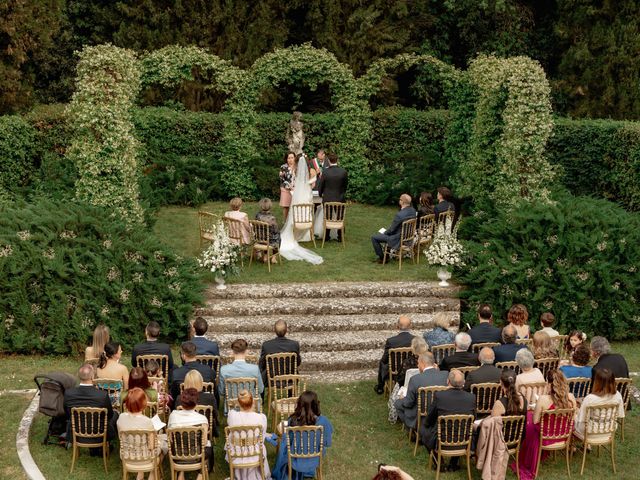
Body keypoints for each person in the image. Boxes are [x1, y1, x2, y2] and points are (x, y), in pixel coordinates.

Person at [512, 369, 577, 480]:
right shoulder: (570, 397)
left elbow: (536, 421)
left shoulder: (543, 399)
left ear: (550, 384)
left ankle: (526, 454)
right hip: (564, 436)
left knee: (529, 422)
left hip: (545, 437)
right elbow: (573, 416)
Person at [420, 370, 475, 471]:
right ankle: (453, 465)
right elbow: (473, 418)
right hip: (464, 440)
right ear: (463, 383)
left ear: (448, 381)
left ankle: (440, 464)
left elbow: (429, 418)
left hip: (442, 439)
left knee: (423, 430)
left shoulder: (440, 396)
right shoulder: (471, 397)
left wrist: (427, 425)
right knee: (460, 428)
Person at [272, 391, 333, 480]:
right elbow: (327, 443)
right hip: (315, 458)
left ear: (299, 404)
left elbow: (289, 441)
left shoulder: (292, 420)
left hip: (295, 458)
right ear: (316, 404)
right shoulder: (324, 421)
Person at [278, 152, 324, 265]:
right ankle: (307, 234)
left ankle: (295, 233)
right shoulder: (312, 171)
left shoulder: (295, 171)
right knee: (307, 211)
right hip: (307, 195)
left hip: (298, 195)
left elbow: (294, 182)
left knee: (296, 211)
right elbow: (313, 185)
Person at [64, 363, 118, 447]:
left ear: (79, 376)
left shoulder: (69, 393)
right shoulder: (102, 395)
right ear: (92, 377)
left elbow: (67, 414)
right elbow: (109, 415)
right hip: (99, 434)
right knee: (115, 414)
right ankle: (108, 442)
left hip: (76, 433)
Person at [117, 387, 167, 480]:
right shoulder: (147, 421)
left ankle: (140, 475)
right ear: (143, 403)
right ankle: (152, 475)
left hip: (127, 455)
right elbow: (152, 447)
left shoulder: (121, 417)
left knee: (140, 444)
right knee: (163, 444)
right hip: (145, 457)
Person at [394, 352, 448, 430]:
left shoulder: (415, 379)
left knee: (398, 403)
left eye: (418, 363)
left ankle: (413, 428)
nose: (418, 365)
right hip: (441, 410)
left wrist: (402, 398)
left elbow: (408, 403)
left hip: (422, 413)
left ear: (422, 363)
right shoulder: (445, 374)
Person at [225, 390, 271, 480]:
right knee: (260, 442)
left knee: (231, 436)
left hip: (236, 453)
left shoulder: (231, 415)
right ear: (253, 401)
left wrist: (237, 403)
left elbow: (232, 411)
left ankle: (238, 474)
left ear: (238, 403)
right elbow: (263, 437)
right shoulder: (261, 418)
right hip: (255, 453)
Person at [167, 388, 212, 477]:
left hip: (177, 455)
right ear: (196, 403)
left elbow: (171, 439)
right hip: (197, 457)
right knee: (209, 448)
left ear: (182, 402)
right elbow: (205, 442)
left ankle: (181, 472)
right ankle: (200, 474)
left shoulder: (173, 416)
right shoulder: (202, 419)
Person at [574, 368, 625, 439]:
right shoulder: (618, 395)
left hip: (590, 431)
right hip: (609, 430)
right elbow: (620, 414)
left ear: (596, 381)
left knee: (573, 414)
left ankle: (572, 445)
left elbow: (582, 419)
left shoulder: (590, 398)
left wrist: (577, 409)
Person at [388, 337, 429, 423]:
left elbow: (400, 380)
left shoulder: (407, 362)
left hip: (409, 389)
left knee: (397, 389)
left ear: (413, 349)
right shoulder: (431, 361)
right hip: (427, 387)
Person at [371, 194, 417, 264]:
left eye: (400, 199)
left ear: (402, 202)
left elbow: (391, 230)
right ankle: (386, 255)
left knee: (374, 237)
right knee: (387, 234)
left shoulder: (400, 215)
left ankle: (382, 258)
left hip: (398, 239)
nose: (399, 200)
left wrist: (384, 233)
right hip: (409, 237)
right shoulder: (413, 211)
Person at [374, 315, 414, 395]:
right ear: (410, 326)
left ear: (397, 326)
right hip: (410, 369)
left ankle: (380, 386)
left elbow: (384, 359)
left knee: (382, 363)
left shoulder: (391, 341)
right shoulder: (415, 340)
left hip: (394, 371)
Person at [219, 339, 264, 409]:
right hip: (251, 405)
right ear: (246, 352)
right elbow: (261, 389)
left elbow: (221, 391)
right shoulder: (254, 369)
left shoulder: (224, 370)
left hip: (232, 406)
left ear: (232, 352)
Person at [174, 370, 218, 438]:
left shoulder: (180, 398)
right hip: (205, 431)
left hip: (184, 431)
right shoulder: (210, 397)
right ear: (201, 382)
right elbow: (215, 415)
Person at [316, 153, 348, 241]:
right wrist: (341, 194)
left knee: (327, 217)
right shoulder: (343, 171)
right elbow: (345, 186)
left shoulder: (325, 172)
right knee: (340, 217)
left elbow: (321, 185)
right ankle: (340, 237)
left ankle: (326, 237)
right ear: (337, 160)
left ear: (328, 161)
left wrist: (320, 194)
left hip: (328, 198)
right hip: (340, 198)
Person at [258, 319, 301, 385]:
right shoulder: (294, 344)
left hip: (271, 379)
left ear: (274, 330)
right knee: (292, 369)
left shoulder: (267, 345)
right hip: (290, 379)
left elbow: (262, 364)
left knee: (262, 371)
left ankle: (261, 394)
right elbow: (297, 362)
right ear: (286, 330)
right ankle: (291, 394)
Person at [279, 151, 296, 221]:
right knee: (286, 207)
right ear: (286, 159)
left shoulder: (297, 166)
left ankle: (294, 222)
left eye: (292, 158)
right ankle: (285, 222)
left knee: (294, 207)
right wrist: (281, 175)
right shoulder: (283, 167)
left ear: (295, 158)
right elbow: (282, 179)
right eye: (289, 158)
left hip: (295, 190)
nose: (290, 159)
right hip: (285, 189)